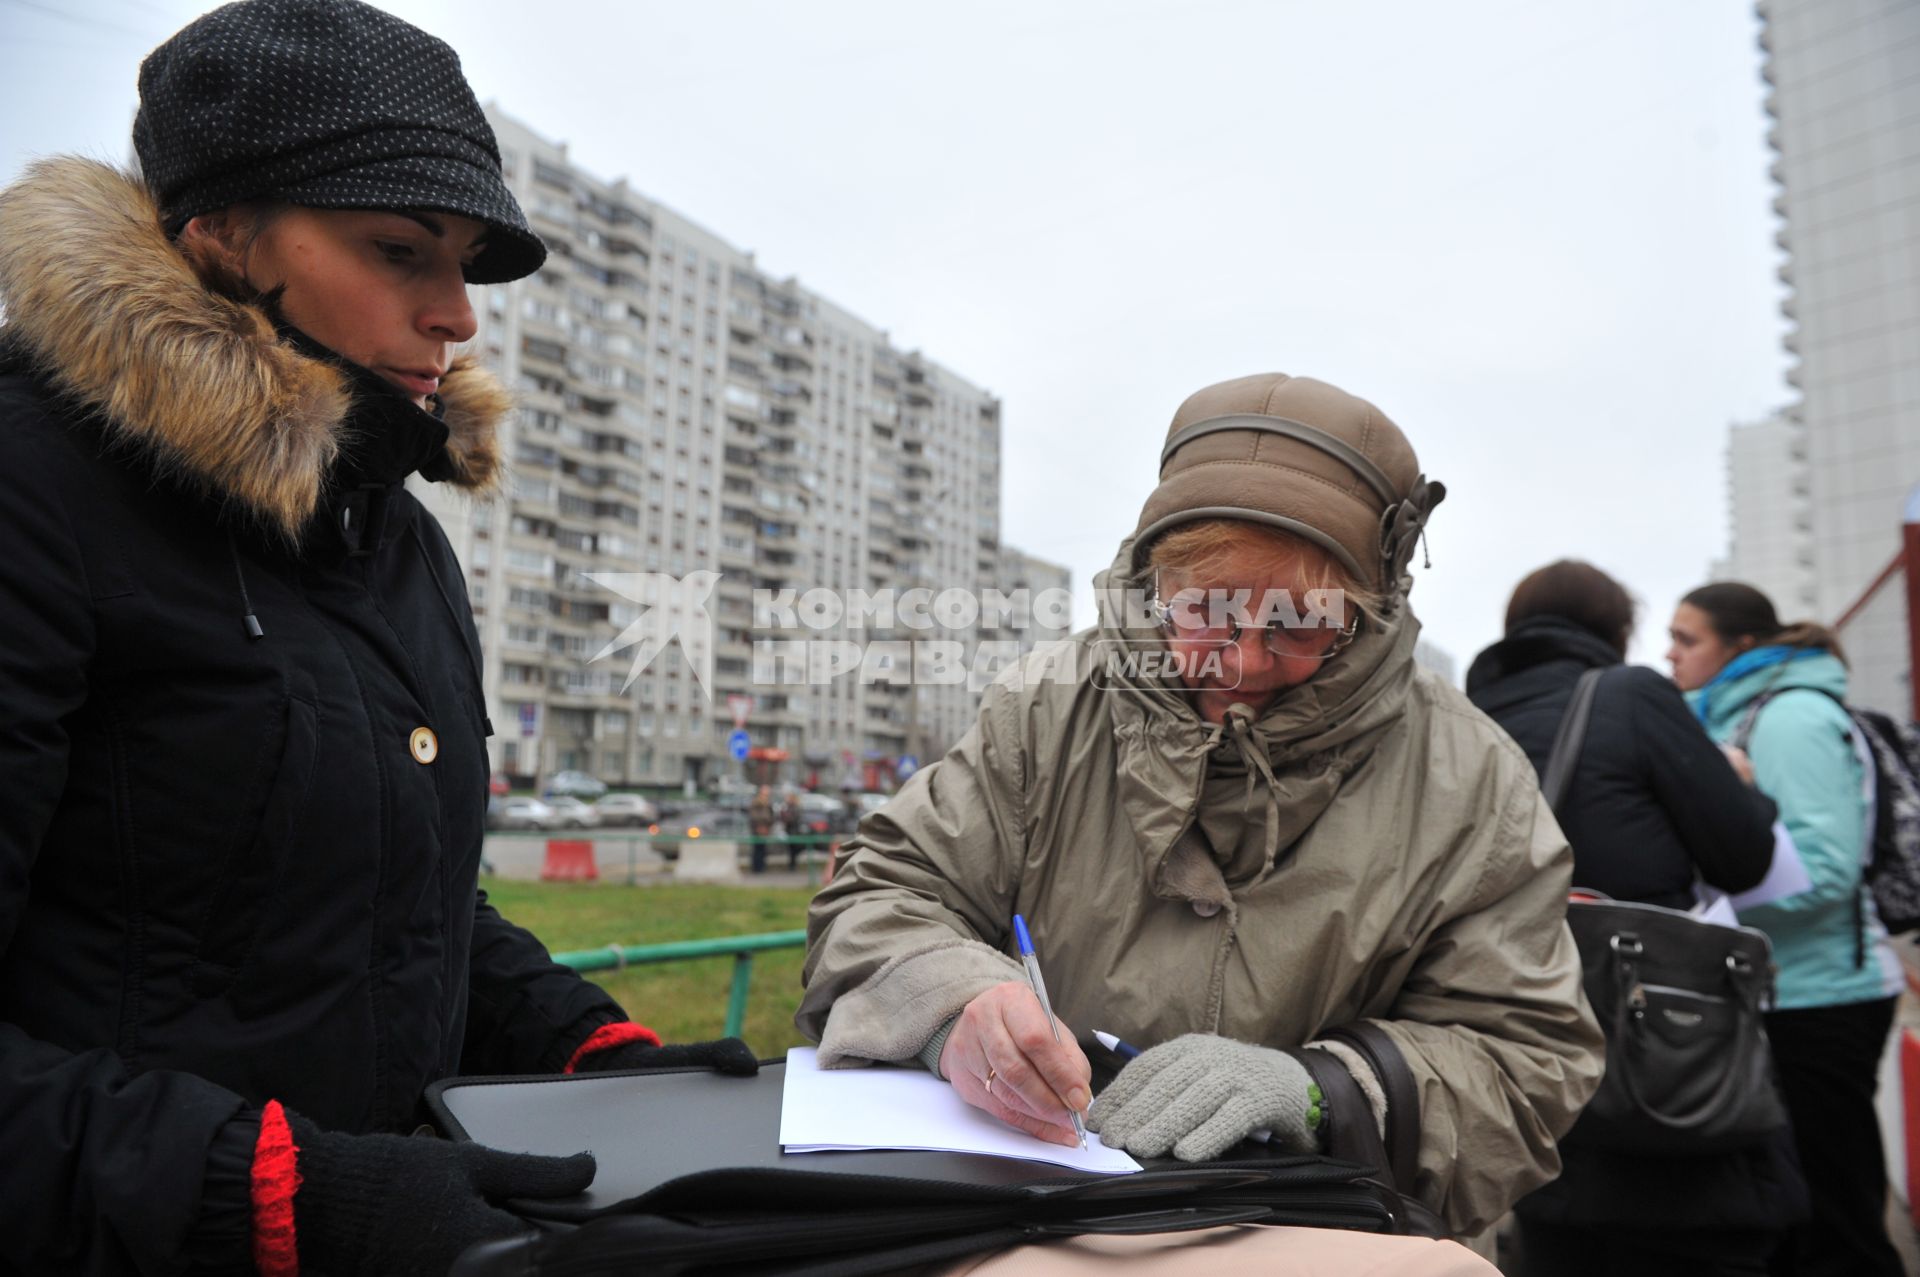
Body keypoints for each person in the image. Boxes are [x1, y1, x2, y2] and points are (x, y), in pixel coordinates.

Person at [0, 4, 753, 1273]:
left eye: (465, 262)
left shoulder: (395, 536)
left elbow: (393, 902)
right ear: (221, 237)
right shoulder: (32, 487)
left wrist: (589, 1048)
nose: (458, 314)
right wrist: (285, 1192)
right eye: (401, 250)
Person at [798, 371, 1606, 1256]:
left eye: (1300, 624)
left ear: (1373, 612)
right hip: (1042, 1225)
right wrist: (956, 1007)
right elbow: (881, 897)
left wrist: (1315, 1091)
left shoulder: (1473, 779)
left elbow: (1528, 1063)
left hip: (1335, 1241)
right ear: (1155, 586)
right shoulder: (1047, 709)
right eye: (1206, 613)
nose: (1241, 662)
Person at [1466, 561, 1805, 1276]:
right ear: (1617, 630)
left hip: (1518, 1052)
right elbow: (1742, 857)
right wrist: (1743, 788)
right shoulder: (1630, 695)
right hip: (1661, 1050)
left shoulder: (1461, 720)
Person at [1670, 582, 1906, 1277]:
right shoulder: (1737, 714)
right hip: (1786, 992)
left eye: (1689, 638)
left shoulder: (1791, 718)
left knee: (1835, 1219)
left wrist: (1703, 910)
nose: (1671, 652)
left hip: (1823, 997)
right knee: (1793, 1212)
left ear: (1741, 646)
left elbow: (1826, 868)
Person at [748, 784, 777, 874]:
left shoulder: (768, 804)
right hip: (757, 829)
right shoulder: (756, 803)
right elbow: (754, 816)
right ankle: (756, 868)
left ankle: (762, 867)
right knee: (757, 849)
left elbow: (772, 816)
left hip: (766, 829)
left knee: (763, 849)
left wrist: (768, 825)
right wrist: (761, 825)